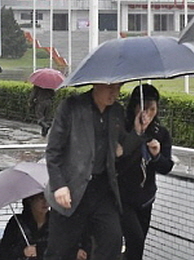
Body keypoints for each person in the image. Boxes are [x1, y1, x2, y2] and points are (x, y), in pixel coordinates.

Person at [44, 83, 150, 260]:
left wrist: (138, 132)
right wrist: (59, 185)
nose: (114, 93)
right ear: (96, 84)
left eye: (118, 88)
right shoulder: (71, 107)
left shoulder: (116, 111)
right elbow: (53, 151)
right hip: (72, 188)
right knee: (60, 251)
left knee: (112, 239)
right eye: (110, 88)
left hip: (102, 189)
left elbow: (121, 149)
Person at [117, 84, 174, 260]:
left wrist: (156, 155)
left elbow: (166, 167)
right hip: (123, 197)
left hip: (146, 198)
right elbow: (117, 164)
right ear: (134, 107)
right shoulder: (123, 130)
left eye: (152, 109)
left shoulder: (160, 133)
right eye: (143, 108)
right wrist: (136, 134)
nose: (147, 114)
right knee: (135, 239)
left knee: (139, 244)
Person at [0, 192, 50, 260]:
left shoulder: (54, 222)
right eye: (41, 198)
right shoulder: (17, 222)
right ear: (30, 200)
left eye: (47, 197)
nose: (45, 202)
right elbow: (3, 252)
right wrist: (23, 252)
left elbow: (61, 248)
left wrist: (39, 250)